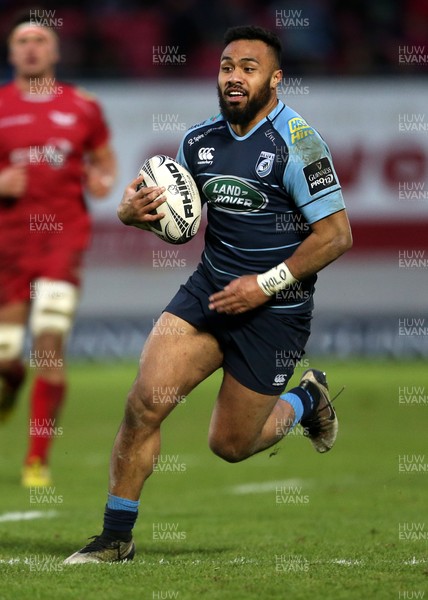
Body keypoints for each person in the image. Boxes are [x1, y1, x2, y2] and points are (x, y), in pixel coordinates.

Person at [64, 25, 352, 564]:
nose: (235, 77)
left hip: (275, 313)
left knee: (231, 445)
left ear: (275, 78)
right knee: (143, 404)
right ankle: (115, 538)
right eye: (226, 67)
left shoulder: (300, 143)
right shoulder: (197, 142)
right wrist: (134, 217)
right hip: (207, 296)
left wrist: (263, 286)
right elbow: (181, 222)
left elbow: (336, 236)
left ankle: (307, 398)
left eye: (249, 67)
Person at [0, 16, 117, 487]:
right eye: (22, 41)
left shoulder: (82, 106)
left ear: (55, 53)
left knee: (49, 341)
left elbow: (104, 160)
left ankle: (37, 459)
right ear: (11, 54)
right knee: (6, 354)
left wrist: (102, 180)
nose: (31, 48)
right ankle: (9, 388)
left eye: (40, 40)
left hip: (63, 239)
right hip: (9, 243)